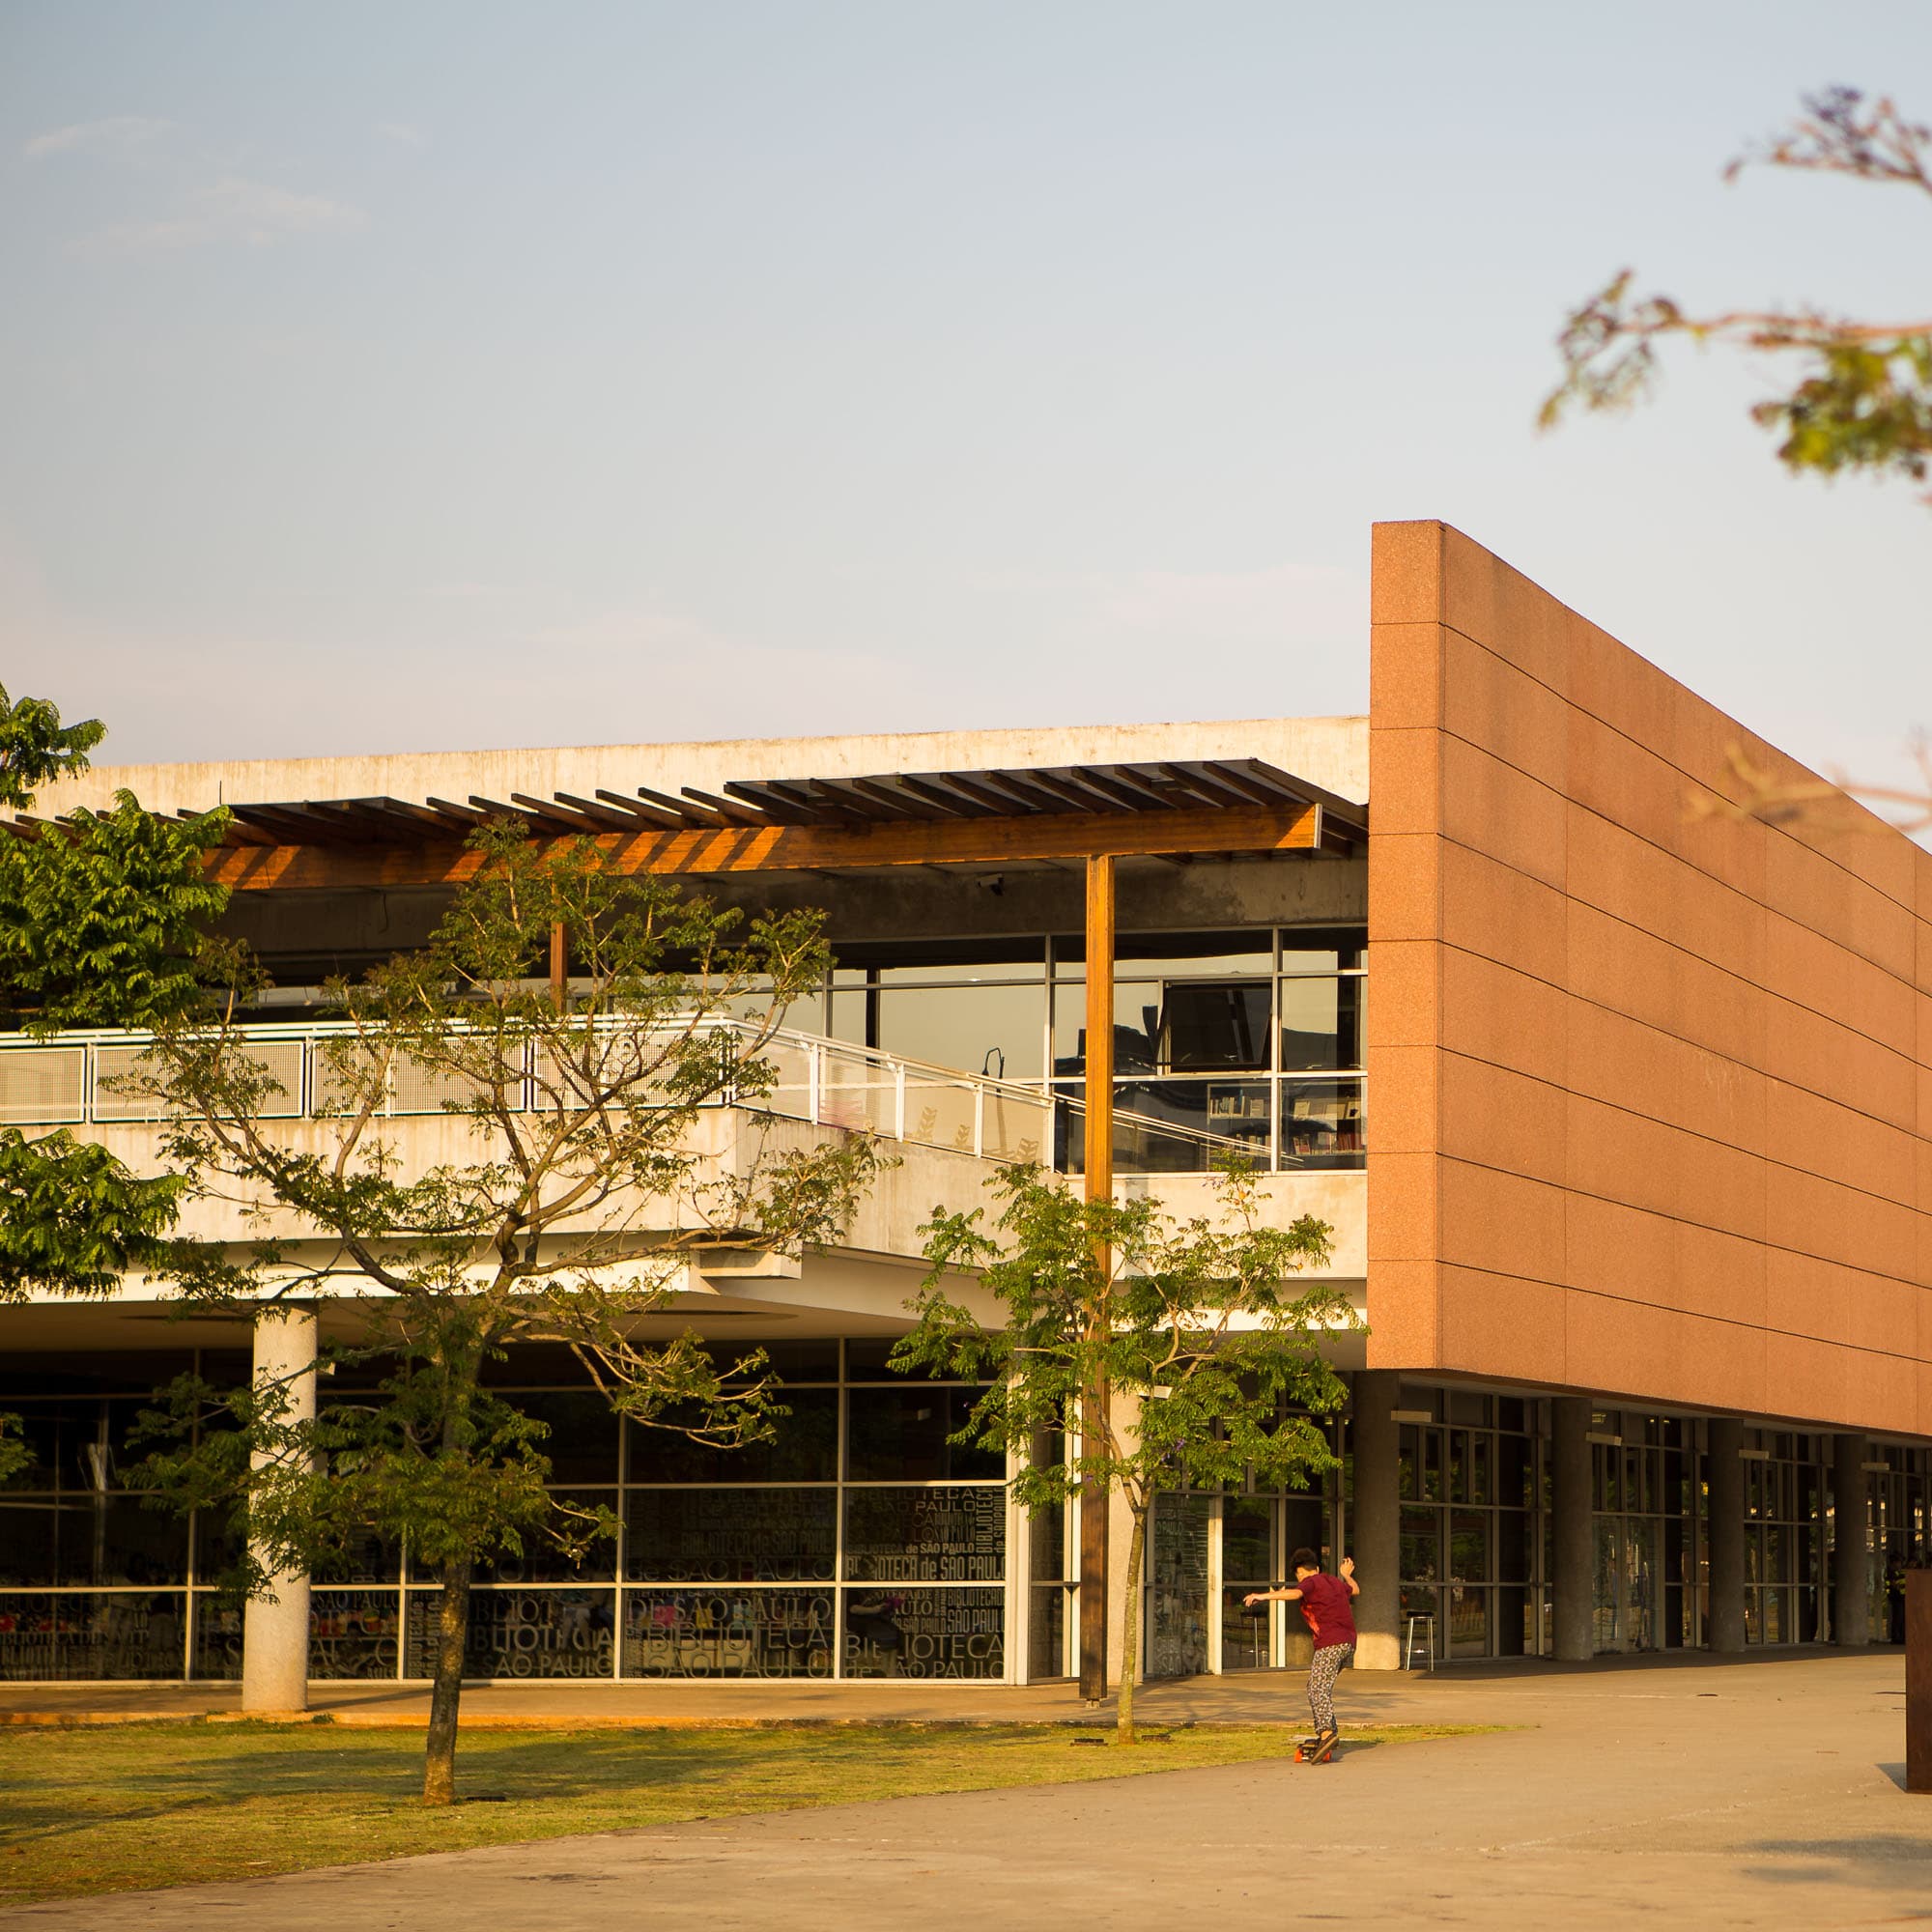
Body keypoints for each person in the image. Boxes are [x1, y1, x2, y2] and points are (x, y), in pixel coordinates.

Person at [1245, 1548, 1358, 1754]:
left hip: (1330, 1642)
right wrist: (1347, 1575)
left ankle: (1326, 1734)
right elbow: (1356, 1590)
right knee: (1320, 1687)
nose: (1300, 1579)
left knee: (1316, 1688)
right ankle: (1329, 1732)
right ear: (1317, 1567)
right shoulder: (1334, 1581)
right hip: (1349, 1643)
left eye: (1299, 1575)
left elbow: (1295, 1593)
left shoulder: (1310, 1581)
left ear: (1300, 1573)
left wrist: (1261, 1596)